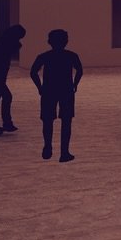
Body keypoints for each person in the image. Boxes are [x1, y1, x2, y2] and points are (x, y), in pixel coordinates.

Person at [31, 29, 84, 162]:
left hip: (49, 90)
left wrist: (39, 87)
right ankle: (64, 152)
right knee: (66, 121)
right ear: (66, 41)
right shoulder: (71, 55)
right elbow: (80, 71)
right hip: (66, 90)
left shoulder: (44, 56)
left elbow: (33, 72)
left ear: (49, 42)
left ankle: (47, 146)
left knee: (47, 120)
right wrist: (75, 84)